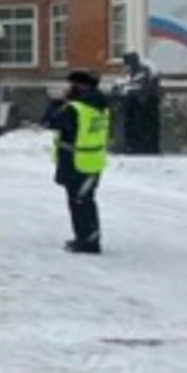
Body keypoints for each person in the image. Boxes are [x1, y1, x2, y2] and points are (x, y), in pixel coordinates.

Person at [47, 70, 111, 254]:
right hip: (94, 159)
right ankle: (88, 237)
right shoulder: (100, 105)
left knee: (79, 202)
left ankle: (88, 240)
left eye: (71, 85)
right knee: (85, 200)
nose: (68, 89)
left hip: (76, 160)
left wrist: (55, 102)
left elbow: (51, 121)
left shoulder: (75, 108)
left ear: (79, 86)